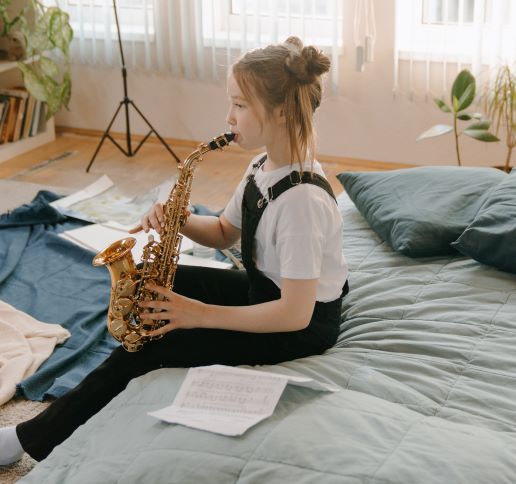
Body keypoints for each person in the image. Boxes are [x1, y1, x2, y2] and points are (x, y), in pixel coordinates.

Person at [0, 36, 348, 466]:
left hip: (300, 325)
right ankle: (121, 363)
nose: (228, 116)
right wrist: (176, 216)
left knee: (162, 343)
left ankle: (26, 437)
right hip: (268, 291)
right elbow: (223, 232)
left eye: (239, 105)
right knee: (155, 283)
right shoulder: (262, 167)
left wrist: (197, 314)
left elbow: (295, 314)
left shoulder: (301, 202)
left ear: (279, 111)